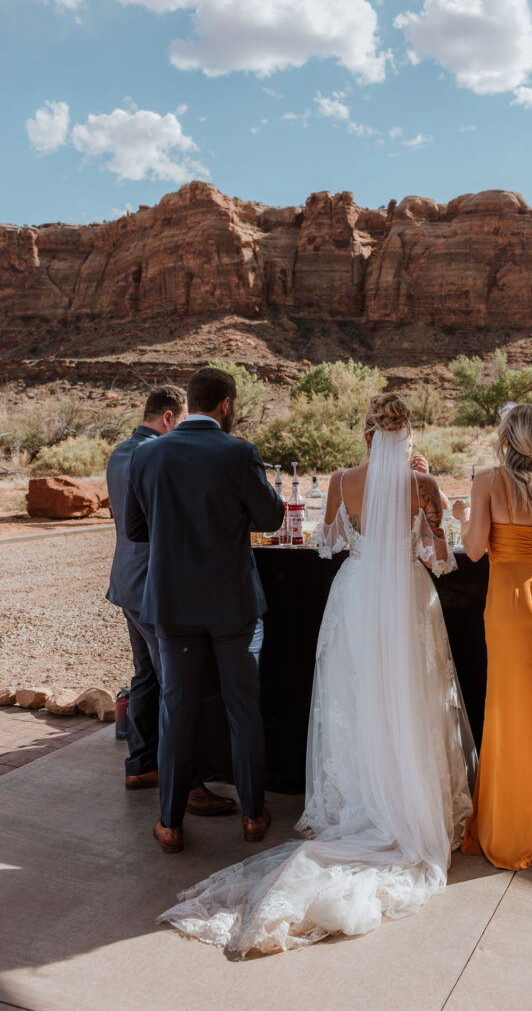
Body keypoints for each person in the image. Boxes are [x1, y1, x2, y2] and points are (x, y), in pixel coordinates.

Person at [158, 392, 476, 955]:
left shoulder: (341, 480)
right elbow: (441, 553)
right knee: (411, 698)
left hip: (356, 596)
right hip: (405, 595)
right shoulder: (423, 486)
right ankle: (410, 798)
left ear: (366, 435)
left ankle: (359, 796)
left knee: (356, 699)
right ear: (409, 437)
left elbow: (325, 544)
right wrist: (430, 504)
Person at [124, 366, 284, 854]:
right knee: (243, 710)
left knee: (176, 711)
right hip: (233, 607)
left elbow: (135, 529)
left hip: (171, 606)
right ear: (227, 405)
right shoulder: (239, 452)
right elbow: (272, 518)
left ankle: (169, 824)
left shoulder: (148, 455)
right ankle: (254, 817)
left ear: (190, 403)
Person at [455, 404, 532, 870]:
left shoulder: (488, 480)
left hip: (510, 601)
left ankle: (507, 828)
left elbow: (474, 548)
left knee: (507, 709)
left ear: (508, 437)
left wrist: (463, 513)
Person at [106, 385, 233, 816]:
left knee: (146, 677)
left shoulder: (119, 454)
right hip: (154, 586)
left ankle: (141, 766)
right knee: (178, 689)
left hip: (125, 580)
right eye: (178, 423)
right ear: (168, 418)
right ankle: (192, 786)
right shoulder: (155, 456)